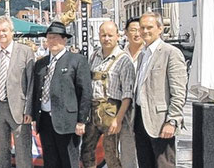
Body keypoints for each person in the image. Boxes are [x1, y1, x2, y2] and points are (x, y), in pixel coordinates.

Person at [31, 21, 91, 168]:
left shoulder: (77, 60)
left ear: (65, 39)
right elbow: (36, 90)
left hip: (67, 121)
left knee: (69, 161)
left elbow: (85, 92)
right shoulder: (41, 63)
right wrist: (34, 116)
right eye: (49, 37)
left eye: (56, 37)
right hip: (45, 120)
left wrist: (81, 121)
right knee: (50, 161)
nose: (52, 41)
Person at [134, 12, 187, 168]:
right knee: (145, 163)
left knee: (164, 164)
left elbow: (178, 91)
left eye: (149, 27)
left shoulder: (170, 53)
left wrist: (172, 120)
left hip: (161, 121)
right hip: (140, 120)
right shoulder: (143, 55)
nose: (145, 31)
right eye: (142, 28)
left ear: (160, 29)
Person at [80, 21, 135, 168]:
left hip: (112, 111)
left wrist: (118, 119)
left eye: (110, 35)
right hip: (93, 111)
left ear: (118, 36)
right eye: (103, 35)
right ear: (99, 36)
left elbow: (127, 95)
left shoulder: (124, 60)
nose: (107, 38)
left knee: (111, 153)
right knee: (86, 151)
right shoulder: (93, 57)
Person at [0, 15, 34, 167]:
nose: (1, 34)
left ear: (12, 32)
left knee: (23, 152)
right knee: (1, 152)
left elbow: (31, 82)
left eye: (4, 31)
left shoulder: (25, 51)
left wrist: (29, 109)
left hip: (19, 109)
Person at [121, 17, 143, 168]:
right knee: (127, 149)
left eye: (139, 30)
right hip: (124, 110)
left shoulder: (149, 54)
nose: (137, 34)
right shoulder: (119, 56)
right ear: (125, 33)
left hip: (144, 110)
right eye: (133, 30)